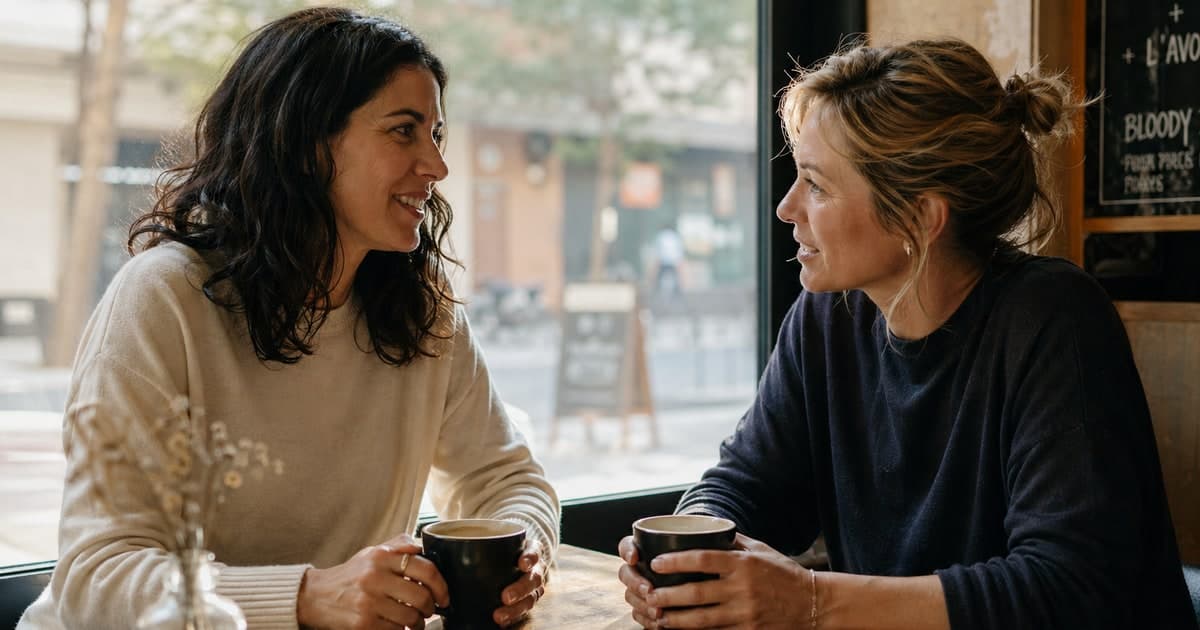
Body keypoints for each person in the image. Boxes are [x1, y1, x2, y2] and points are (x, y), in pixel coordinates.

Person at [617, 38, 1197, 630]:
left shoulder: (1054, 320)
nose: (787, 208)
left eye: (816, 185)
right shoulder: (827, 319)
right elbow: (749, 486)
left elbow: (1066, 590)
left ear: (919, 216)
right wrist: (681, 553)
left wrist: (811, 600)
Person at [19, 7, 558, 629]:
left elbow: (506, 476)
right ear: (305, 145)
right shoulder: (163, 297)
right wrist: (306, 596)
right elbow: (98, 578)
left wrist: (524, 552)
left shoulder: (421, 307)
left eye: (435, 136)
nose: (437, 168)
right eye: (403, 131)